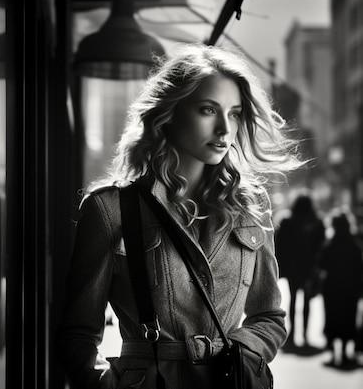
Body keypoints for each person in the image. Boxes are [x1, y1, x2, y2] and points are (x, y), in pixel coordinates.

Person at [56, 43, 305, 389]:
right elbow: (78, 334)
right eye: (208, 110)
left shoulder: (251, 205)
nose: (224, 129)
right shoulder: (111, 209)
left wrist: (241, 356)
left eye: (234, 113)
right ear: (169, 112)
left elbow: (270, 318)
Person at [274, 194, 326, 348]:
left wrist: (281, 267)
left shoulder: (287, 221)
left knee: (293, 299)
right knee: (307, 302)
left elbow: (280, 245)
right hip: (309, 268)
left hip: (293, 268)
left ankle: (291, 335)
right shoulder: (317, 222)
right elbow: (321, 247)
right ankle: (304, 333)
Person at [317, 210, 363, 369]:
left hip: (332, 287)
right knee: (348, 318)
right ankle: (344, 351)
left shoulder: (329, 245)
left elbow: (322, 265)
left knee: (332, 317)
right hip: (351, 287)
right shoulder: (355, 246)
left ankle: (332, 349)